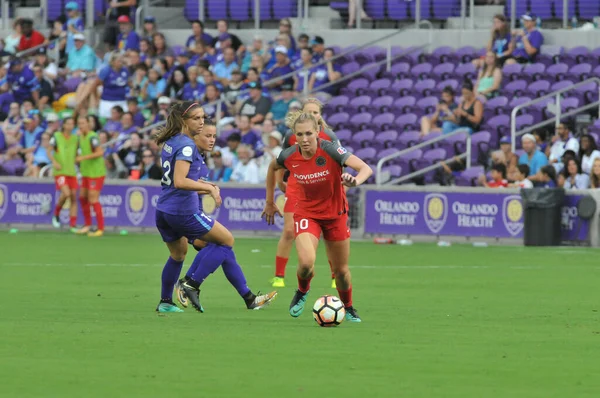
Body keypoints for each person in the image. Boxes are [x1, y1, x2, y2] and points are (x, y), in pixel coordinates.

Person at [152, 101, 277, 313]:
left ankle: (167, 301)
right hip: (183, 212)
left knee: (185, 254)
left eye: (203, 118)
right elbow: (180, 181)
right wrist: (209, 188)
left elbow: (179, 183)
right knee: (226, 240)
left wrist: (207, 187)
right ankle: (190, 283)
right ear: (185, 122)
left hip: (164, 210)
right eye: (197, 119)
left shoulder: (173, 141)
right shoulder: (187, 146)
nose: (201, 124)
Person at [262, 110, 372, 322]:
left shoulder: (331, 150)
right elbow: (272, 167)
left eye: (309, 134)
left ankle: (348, 307)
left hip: (335, 215)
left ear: (318, 132)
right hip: (307, 213)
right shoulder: (289, 155)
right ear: (295, 135)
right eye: (300, 134)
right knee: (305, 263)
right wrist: (269, 202)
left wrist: (355, 181)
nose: (304, 139)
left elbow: (365, 168)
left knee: (340, 271)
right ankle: (302, 291)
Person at [270, 98, 341, 289]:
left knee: (329, 233)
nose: (313, 115)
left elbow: (341, 164)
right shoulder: (292, 136)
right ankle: (279, 276)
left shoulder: (329, 137)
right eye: (309, 112)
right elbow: (281, 161)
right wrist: (280, 181)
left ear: (320, 116)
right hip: (297, 185)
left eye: (316, 112)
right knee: (288, 230)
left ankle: (336, 275)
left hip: (323, 188)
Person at [75, 116, 106, 237]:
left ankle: (100, 228)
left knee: (93, 199)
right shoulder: (81, 137)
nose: (80, 125)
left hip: (96, 173)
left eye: (82, 123)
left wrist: (83, 158)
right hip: (86, 172)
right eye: (79, 123)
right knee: (82, 197)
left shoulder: (92, 137)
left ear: (88, 124)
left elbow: (100, 152)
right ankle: (87, 225)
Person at [48, 117, 79, 231]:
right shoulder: (56, 136)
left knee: (73, 197)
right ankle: (56, 214)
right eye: (68, 124)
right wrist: (54, 161)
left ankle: (73, 224)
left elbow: (76, 153)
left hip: (71, 171)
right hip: (60, 171)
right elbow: (48, 150)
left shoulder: (76, 138)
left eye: (72, 124)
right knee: (66, 193)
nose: (70, 126)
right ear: (64, 125)